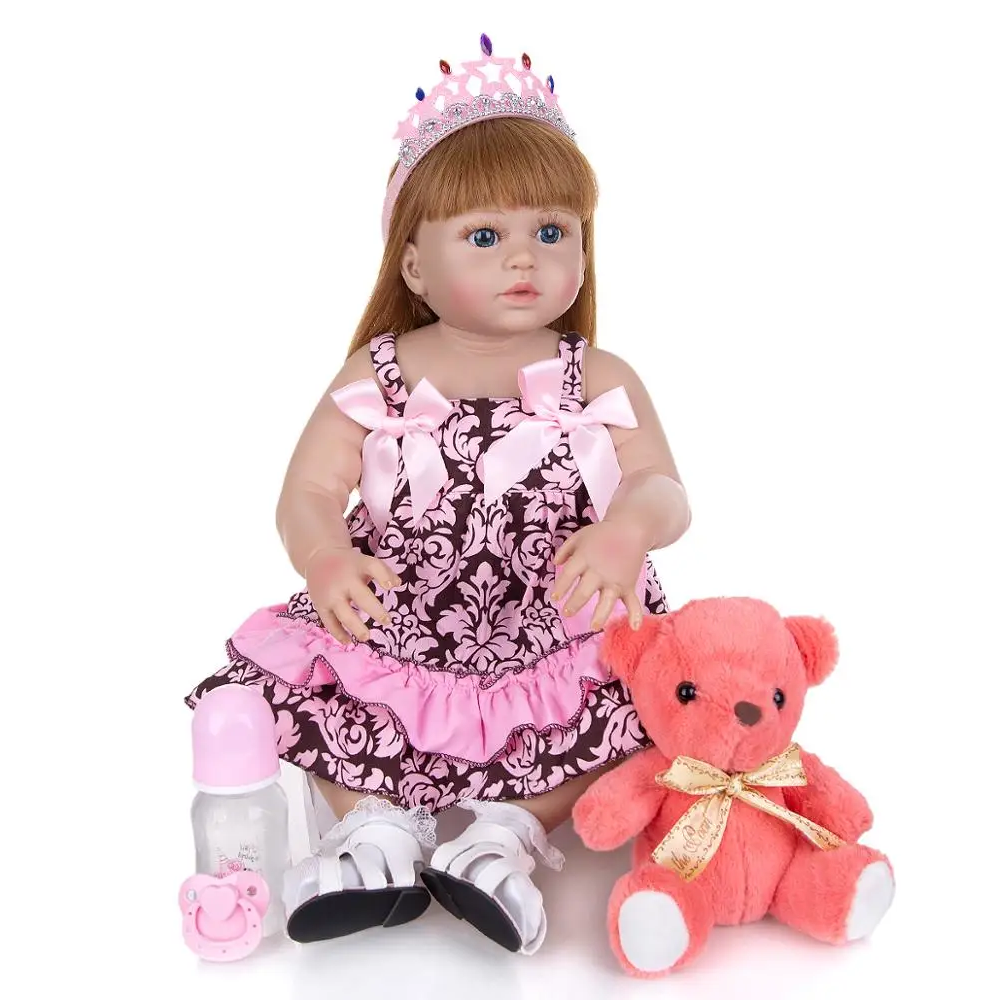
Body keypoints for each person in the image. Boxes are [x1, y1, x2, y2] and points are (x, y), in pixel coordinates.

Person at [185, 33, 691, 956]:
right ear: (414, 265)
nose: (523, 258)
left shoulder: (598, 376)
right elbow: (306, 491)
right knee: (316, 692)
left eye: (552, 232)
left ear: (584, 248)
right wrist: (324, 556)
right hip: (403, 613)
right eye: (484, 237)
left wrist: (628, 530)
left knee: (637, 699)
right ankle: (375, 828)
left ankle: (507, 835)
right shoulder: (378, 375)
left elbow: (664, 487)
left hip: (556, 617)